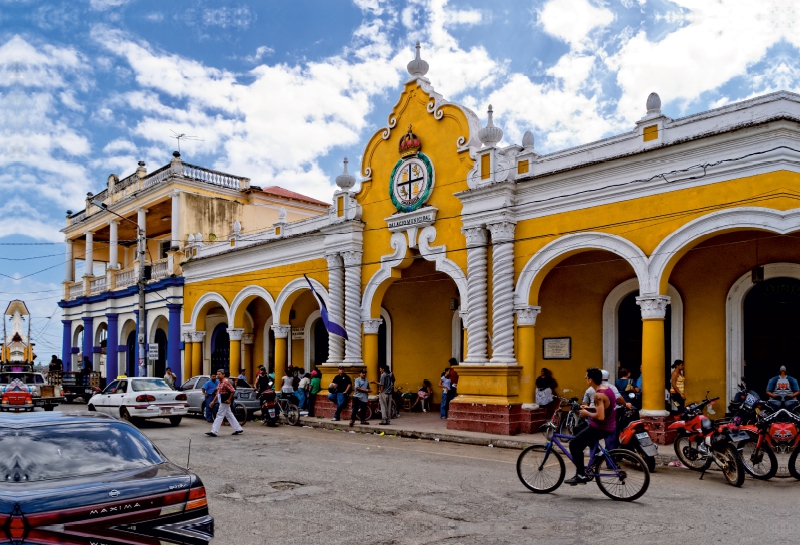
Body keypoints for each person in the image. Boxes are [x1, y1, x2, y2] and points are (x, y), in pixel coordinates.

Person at [565, 367, 616, 485]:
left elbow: (601, 416)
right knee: (579, 430)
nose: (586, 379)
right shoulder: (607, 389)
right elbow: (604, 408)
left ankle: (580, 475)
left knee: (574, 444)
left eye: (586, 377)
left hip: (601, 427)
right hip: (608, 425)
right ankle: (598, 453)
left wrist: (586, 413)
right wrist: (589, 408)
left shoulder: (598, 394)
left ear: (590, 380)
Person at [206, 369, 243, 437]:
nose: (218, 376)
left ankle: (214, 431)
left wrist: (229, 399)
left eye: (219, 374)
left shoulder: (226, 382)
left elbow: (232, 390)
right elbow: (218, 394)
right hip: (222, 400)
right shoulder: (220, 383)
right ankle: (238, 428)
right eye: (217, 374)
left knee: (219, 415)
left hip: (225, 401)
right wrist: (213, 401)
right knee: (229, 415)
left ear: (223, 375)